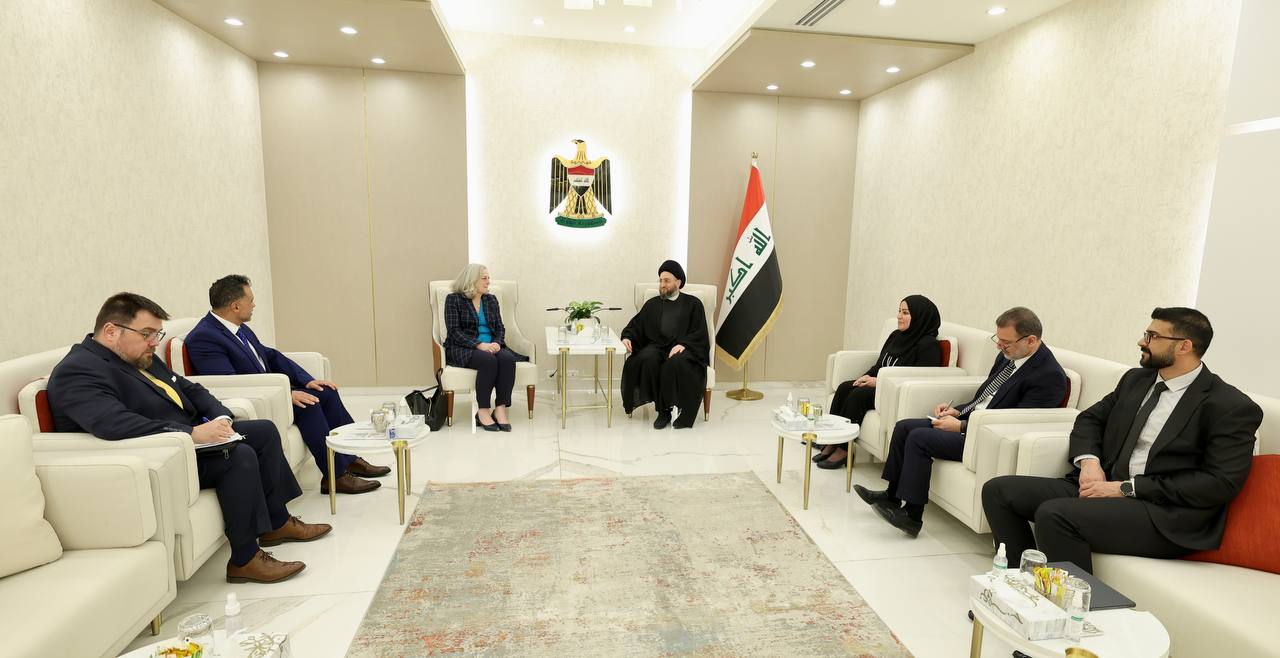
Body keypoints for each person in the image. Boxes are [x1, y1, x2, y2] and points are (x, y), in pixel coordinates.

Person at [48, 293, 332, 584]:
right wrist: (191, 434)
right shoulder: (78, 370)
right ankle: (244, 559)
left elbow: (188, 387)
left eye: (156, 334)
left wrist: (221, 417)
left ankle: (276, 523)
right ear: (111, 331)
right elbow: (112, 423)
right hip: (158, 456)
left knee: (263, 432)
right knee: (239, 456)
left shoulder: (138, 355)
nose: (154, 342)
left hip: (186, 442)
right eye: (146, 334)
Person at [981, 308, 1262, 573]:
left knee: (1055, 514)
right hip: (1104, 485)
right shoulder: (1136, 380)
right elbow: (1090, 419)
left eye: (1152, 336)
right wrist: (1089, 462)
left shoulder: (1229, 406)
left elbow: (1219, 483)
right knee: (998, 491)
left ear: (1184, 346)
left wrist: (1126, 488)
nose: (1142, 342)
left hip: (1162, 512)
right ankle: (1020, 582)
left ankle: (1076, 604)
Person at [855, 307, 1068, 537]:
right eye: (998, 339)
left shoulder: (1049, 375)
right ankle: (892, 497)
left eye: (1006, 342)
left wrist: (963, 427)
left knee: (919, 438)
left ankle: (912, 517)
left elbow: (1017, 422)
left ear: (1031, 340)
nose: (999, 346)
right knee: (904, 426)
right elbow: (985, 397)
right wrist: (957, 411)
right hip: (973, 422)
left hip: (989, 440)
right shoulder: (1009, 356)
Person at [183, 275, 387, 495]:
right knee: (308, 405)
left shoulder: (237, 326)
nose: (254, 305)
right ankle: (335, 477)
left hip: (273, 390)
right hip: (259, 401)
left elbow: (269, 355)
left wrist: (306, 380)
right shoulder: (204, 338)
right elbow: (230, 383)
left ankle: (350, 458)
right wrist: (285, 395)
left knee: (326, 392)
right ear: (235, 306)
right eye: (251, 300)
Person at [817, 295, 943, 470]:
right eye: (899, 311)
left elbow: (919, 378)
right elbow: (880, 365)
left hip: (895, 392)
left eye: (905, 313)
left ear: (920, 317)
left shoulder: (928, 345)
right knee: (845, 387)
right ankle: (833, 439)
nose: (899, 316)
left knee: (858, 395)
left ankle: (844, 449)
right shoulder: (896, 336)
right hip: (880, 384)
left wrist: (879, 382)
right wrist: (865, 376)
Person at [621, 260, 710, 429]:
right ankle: (663, 412)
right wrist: (628, 337)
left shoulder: (694, 304)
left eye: (667, 281)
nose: (662, 284)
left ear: (678, 282)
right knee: (646, 358)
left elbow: (699, 332)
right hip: (658, 346)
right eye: (661, 280)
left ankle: (682, 410)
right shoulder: (652, 304)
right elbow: (637, 325)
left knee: (674, 363)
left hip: (685, 349)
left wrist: (684, 344)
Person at [443, 263, 529, 432]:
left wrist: (497, 342)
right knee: (488, 361)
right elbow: (454, 332)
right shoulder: (454, 299)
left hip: (491, 345)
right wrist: (479, 345)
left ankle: (500, 409)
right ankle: (482, 411)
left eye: (488, 278)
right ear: (471, 280)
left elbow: (500, 327)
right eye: (484, 278)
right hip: (463, 347)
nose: (488, 281)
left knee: (507, 359)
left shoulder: (491, 299)